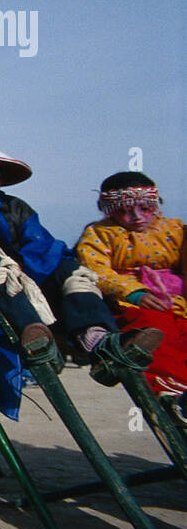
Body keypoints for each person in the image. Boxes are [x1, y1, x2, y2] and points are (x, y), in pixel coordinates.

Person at [0, 131, 160, 433]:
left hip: (32, 279)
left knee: (69, 270)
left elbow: (42, 243)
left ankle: (98, 338)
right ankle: (35, 338)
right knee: (0, 273)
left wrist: (26, 265)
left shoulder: (18, 207)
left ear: (1, 181)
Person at [75, 171, 186, 412]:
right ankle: (172, 392)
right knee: (156, 333)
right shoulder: (99, 233)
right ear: (109, 209)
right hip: (132, 305)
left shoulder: (175, 230)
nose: (136, 217)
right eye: (124, 210)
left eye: (145, 208)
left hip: (179, 304)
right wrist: (135, 293)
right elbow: (95, 270)